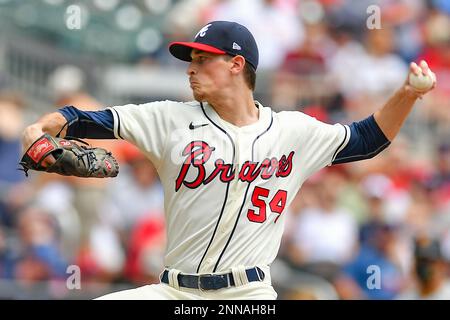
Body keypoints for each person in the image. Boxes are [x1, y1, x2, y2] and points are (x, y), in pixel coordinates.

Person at [21, 21, 436, 300]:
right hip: (175, 292)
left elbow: (368, 139)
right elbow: (80, 119)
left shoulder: (293, 131)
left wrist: (408, 94)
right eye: (191, 60)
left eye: (204, 59)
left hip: (246, 295)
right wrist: (38, 129)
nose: (191, 69)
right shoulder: (168, 118)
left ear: (237, 65)